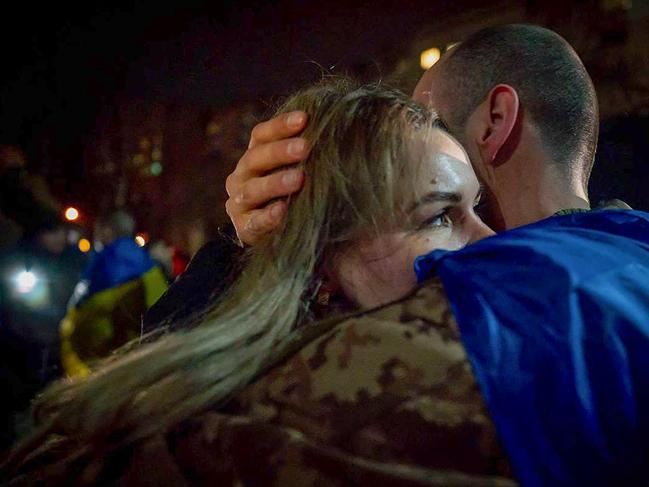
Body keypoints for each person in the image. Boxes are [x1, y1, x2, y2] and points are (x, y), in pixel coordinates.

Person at [2, 81, 510, 486]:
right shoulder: (236, 438)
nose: (491, 239)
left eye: (475, 208)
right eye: (441, 215)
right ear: (321, 261)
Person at [220, 24, 649, 486]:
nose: (405, 130)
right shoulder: (630, 244)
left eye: (427, 118)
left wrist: (244, 261)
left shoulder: (452, 336)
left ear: (495, 121)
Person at [59, 210, 168, 378]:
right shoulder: (149, 267)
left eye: (97, 231)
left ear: (107, 231)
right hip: (133, 365)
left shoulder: (105, 265)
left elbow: (91, 320)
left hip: (100, 368)